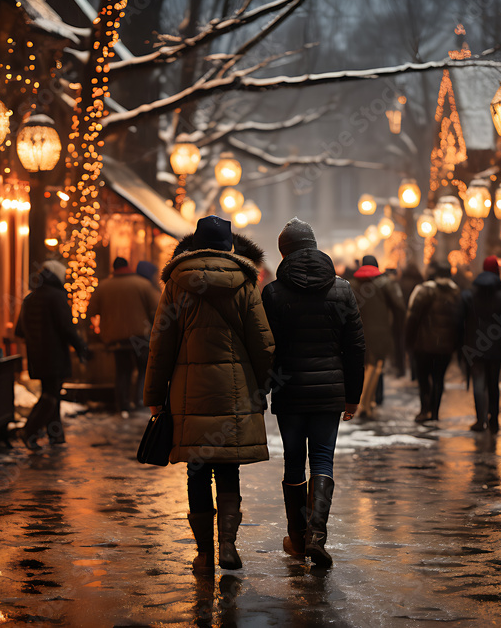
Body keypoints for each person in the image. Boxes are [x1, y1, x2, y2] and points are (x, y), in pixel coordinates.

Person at [144, 215, 274, 574]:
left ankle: (204, 553)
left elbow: (160, 344)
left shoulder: (176, 283)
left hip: (189, 394)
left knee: (197, 471)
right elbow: (262, 342)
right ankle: (228, 544)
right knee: (228, 467)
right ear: (229, 246)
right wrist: (264, 386)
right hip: (236, 390)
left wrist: (155, 395)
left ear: (194, 245)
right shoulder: (245, 282)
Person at [262, 218, 366, 568]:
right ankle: (317, 537)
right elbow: (355, 348)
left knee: (293, 461)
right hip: (329, 391)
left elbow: (267, 348)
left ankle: (296, 537)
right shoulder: (342, 289)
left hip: (289, 392)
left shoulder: (274, 293)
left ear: (284, 252)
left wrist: (263, 388)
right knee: (323, 459)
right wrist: (353, 395)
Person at [15, 260, 90, 450]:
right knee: (50, 396)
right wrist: (81, 348)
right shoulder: (56, 297)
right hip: (54, 355)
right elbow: (67, 328)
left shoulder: (30, 298)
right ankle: (29, 431)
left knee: (51, 394)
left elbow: (19, 330)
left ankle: (55, 435)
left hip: (37, 356)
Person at [86, 257, 159, 411]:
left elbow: (91, 311)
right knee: (143, 370)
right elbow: (156, 308)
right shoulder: (142, 284)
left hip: (115, 338)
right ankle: (140, 400)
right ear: (128, 266)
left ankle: (123, 404)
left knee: (122, 371)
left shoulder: (104, 286)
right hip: (140, 335)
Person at [460, 256, 501, 433]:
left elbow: (462, 321)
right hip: (496, 346)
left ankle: (480, 420)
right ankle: (494, 419)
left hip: (475, 345)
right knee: (493, 383)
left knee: (478, 382)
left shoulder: (470, 294)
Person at [405, 261, 462, 423]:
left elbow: (412, 318)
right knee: (439, 378)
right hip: (446, 346)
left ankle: (424, 410)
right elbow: (459, 321)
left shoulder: (424, 291)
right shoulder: (455, 293)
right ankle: (435, 412)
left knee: (424, 379)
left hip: (424, 345)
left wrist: (409, 342)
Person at [350, 255, 406, 419]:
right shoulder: (385, 284)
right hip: (380, 332)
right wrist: (398, 327)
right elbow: (400, 307)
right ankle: (362, 405)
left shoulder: (352, 284)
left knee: (366, 367)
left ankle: (368, 403)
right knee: (375, 367)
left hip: (357, 331)